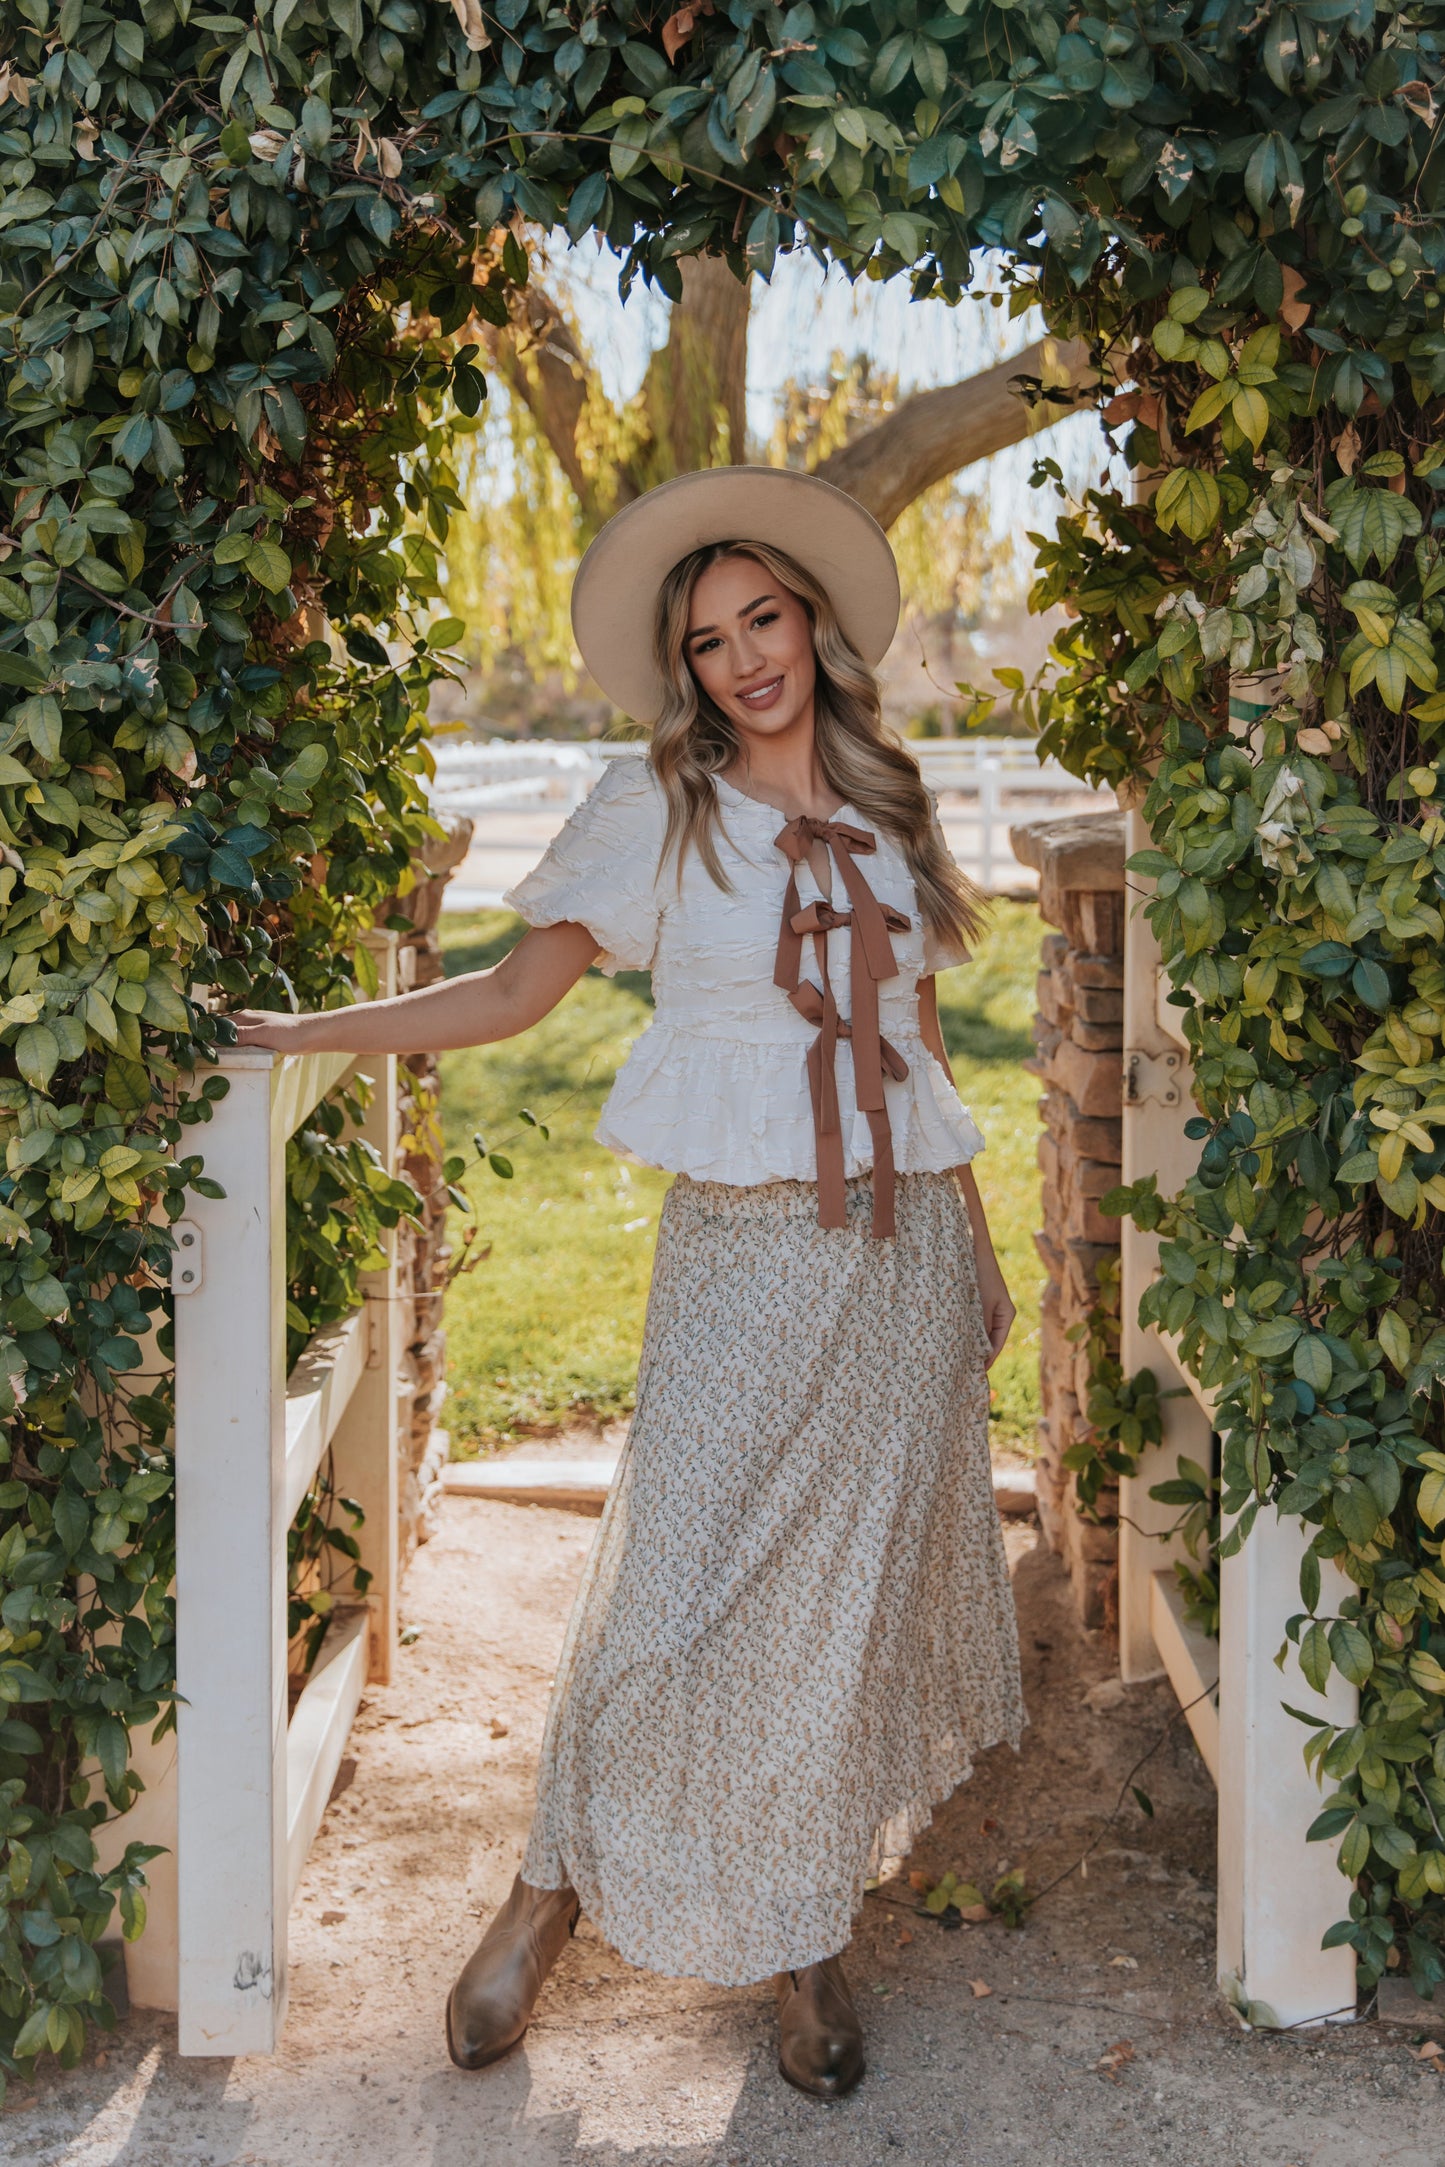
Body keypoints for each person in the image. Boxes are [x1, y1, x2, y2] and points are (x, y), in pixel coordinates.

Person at [233, 467, 1024, 2100]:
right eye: (710, 640)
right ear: (684, 670)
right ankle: (549, 1892)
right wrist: (318, 1033)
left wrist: (986, 1254)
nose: (745, 658)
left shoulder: (888, 794)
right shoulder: (656, 807)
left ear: (808, 621)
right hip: (742, 1251)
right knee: (672, 1590)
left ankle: (802, 1946)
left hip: (899, 1260)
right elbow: (520, 994)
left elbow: (917, 1041)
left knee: (839, 1611)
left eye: (764, 619)